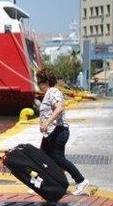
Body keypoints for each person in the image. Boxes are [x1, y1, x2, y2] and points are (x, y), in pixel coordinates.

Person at [36, 67, 89, 195]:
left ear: (46, 82)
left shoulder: (53, 92)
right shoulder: (49, 93)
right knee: (43, 158)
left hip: (58, 131)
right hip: (51, 132)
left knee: (58, 158)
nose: (38, 85)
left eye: (39, 82)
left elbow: (59, 108)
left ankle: (81, 180)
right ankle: (50, 184)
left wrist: (47, 123)